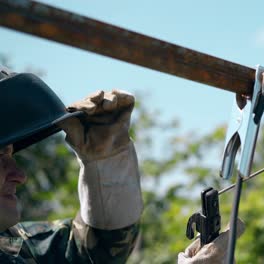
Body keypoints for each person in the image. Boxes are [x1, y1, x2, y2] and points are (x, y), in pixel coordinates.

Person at [0, 67, 242, 263]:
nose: (20, 175)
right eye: (0, 156)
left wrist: (107, 170)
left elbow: (96, 252)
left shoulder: (13, 243)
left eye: (11, 154)